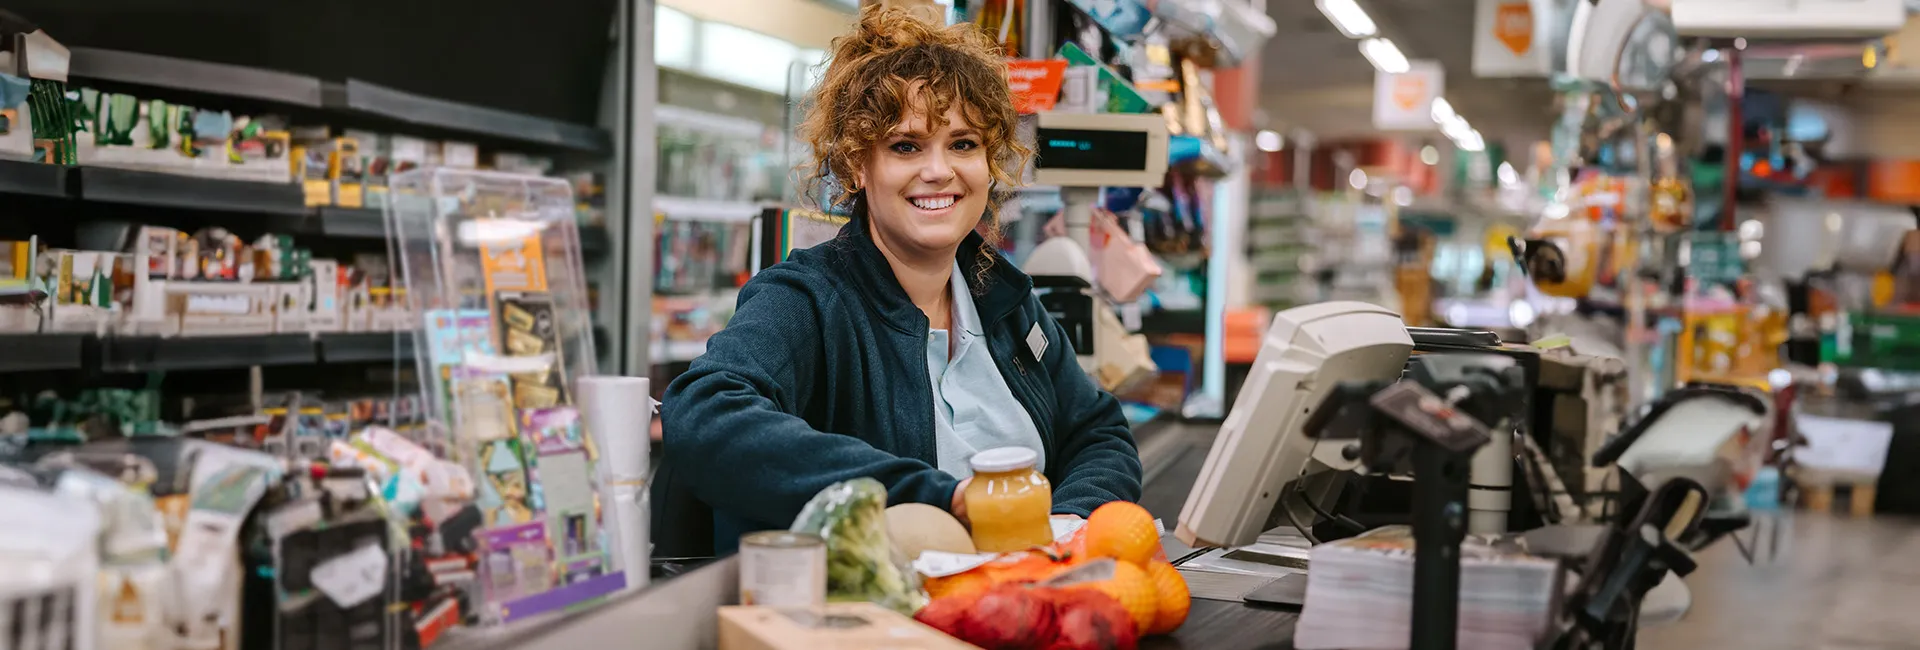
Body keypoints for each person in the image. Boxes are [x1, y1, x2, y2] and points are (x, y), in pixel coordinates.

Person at [653, 6, 1142, 556]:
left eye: (963, 144)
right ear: (858, 166)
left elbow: (1100, 431)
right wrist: (940, 499)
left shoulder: (1004, 300)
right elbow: (704, 412)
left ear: (990, 164)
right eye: (906, 146)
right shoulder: (807, 299)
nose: (939, 171)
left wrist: (1065, 530)